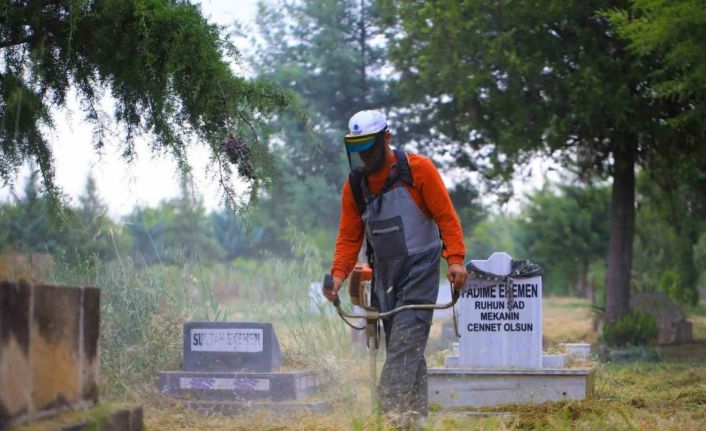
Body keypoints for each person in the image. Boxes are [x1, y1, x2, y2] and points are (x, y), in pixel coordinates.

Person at [323, 109, 468, 423]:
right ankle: (415, 422)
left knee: (403, 346)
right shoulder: (356, 186)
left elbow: (446, 218)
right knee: (407, 351)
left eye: (370, 148)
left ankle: (386, 418)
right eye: (357, 149)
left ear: (386, 139)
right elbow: (349, 237)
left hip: (420, 270)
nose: (364, 156)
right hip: (384, 276)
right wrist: (337, 276)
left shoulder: (418, 170)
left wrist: (455, 260)